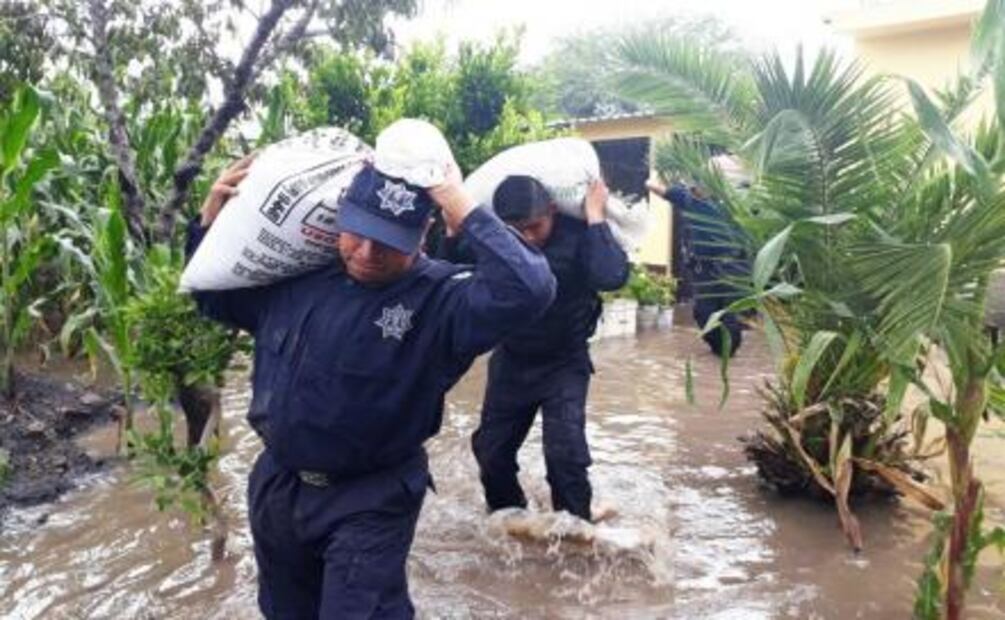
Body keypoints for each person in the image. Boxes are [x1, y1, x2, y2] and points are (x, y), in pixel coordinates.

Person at [187, 155, 556, 618]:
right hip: (279, 487)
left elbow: (531, 290)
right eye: (357, 232)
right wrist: (209, 221)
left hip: (371, 497)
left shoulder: (443, 301)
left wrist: (459, 204)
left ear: (422, 235)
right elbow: (212, 295)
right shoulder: (299, 276)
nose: (365, 252)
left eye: (387, 243)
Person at [440, 175, 630, 522]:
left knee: (565, 456)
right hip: (512, 360)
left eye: (534, 227)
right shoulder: (497, 244)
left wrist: (595, 214)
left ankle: (576, 532)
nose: (525, 238)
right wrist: (452, 235)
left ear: (553, 212)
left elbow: (611, 276)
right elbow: (452, 274)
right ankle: (509, 521)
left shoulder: (577, 237)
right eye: (514, 231)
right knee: (491, 453)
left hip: (565, 363)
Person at [647, 178, 750, 357]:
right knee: (704, 312)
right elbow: (652, 185)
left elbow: (651, 185)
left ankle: (728, 354)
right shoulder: (692, 201)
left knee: (728, 314)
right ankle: (720, 352)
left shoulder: (729, 203)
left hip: (732, 266)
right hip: (707, 269)